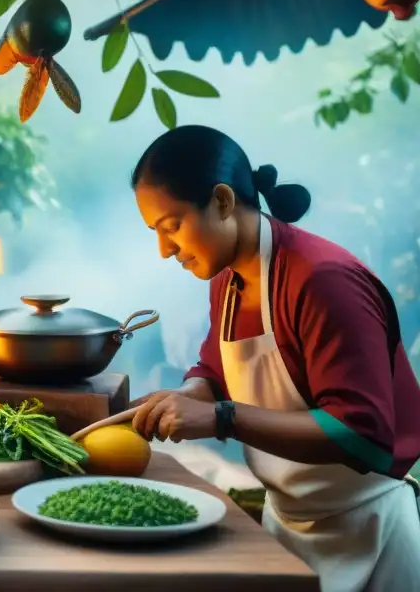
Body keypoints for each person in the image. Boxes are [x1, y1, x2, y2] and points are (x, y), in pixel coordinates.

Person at [128, 125, 420, 592]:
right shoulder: (227, 280)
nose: (165, 250)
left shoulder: (323, 281)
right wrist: (183, 397)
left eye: (172, 226)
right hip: (285, 529)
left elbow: (363, 435)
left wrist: (222, 417)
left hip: (369, 537)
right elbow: (214, 371)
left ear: (222, 201)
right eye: (155, 233)